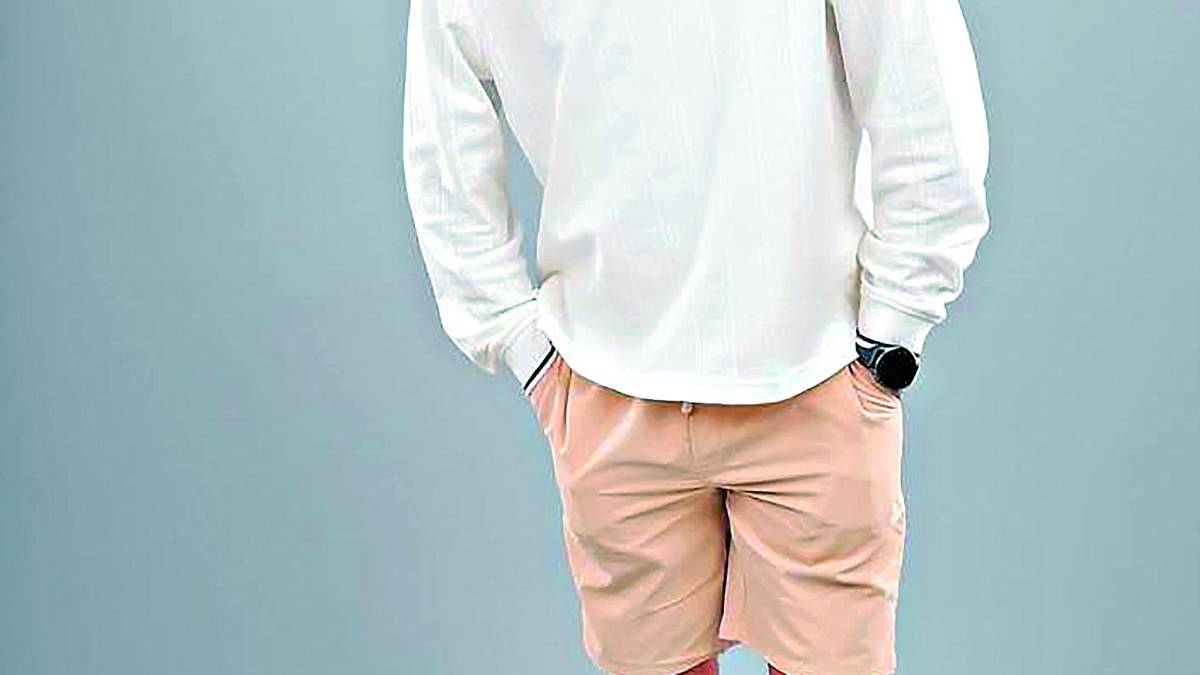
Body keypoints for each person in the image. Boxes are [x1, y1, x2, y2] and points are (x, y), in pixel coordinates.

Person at [402, 1, 990, 673]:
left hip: (813, 378)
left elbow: (925, 98)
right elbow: (443, 138)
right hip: (609, 388)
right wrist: (518, 343)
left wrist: (891, 336)